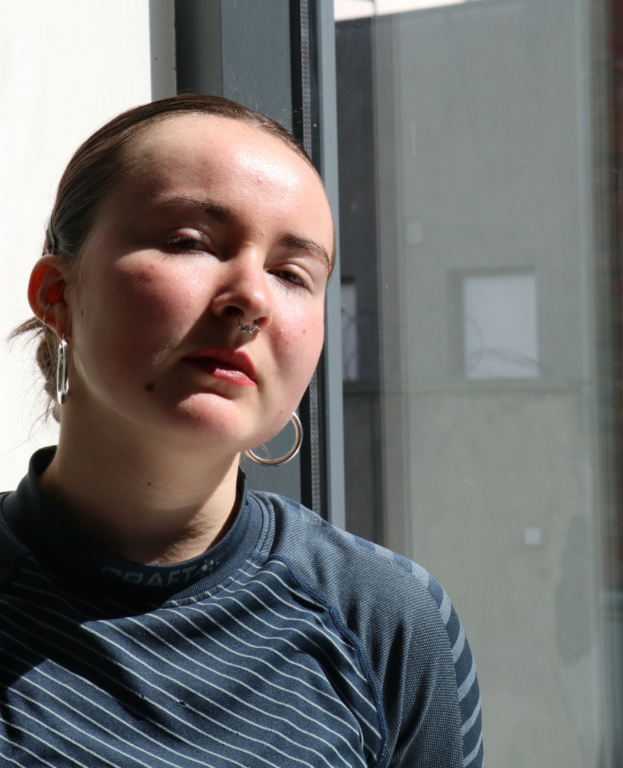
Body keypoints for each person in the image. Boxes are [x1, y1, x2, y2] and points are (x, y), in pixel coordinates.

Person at [0, 94, 483, 768]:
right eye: (190, 243)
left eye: (292, 274)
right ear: (58, 294)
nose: (251, 298)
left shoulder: (385, 621)